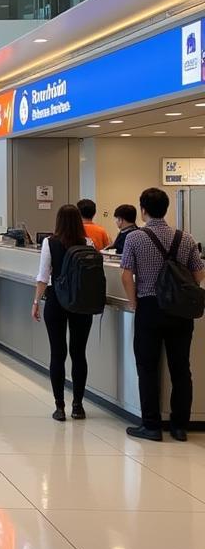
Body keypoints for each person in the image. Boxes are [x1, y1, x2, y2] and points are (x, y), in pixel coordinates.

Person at [120, 187, 205, 442]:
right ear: (166, 209)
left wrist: (134, 303)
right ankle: (179, 426)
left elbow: (126, 274)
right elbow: (199, 274)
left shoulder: (135, 238)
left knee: (147, 367)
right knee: (181, 368)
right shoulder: (186, 238)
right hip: (179, 311)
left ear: (143, 209)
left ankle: (151, 425)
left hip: (149, 307)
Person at [31, 204, 95, 422]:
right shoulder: (88, 243)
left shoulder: (49, 243)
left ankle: (59, 407)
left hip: (57, 301)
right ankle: (78, 405)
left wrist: (36, 302)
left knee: (57, 353)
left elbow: (43, 275)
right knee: (79, 354)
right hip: (81, 303)